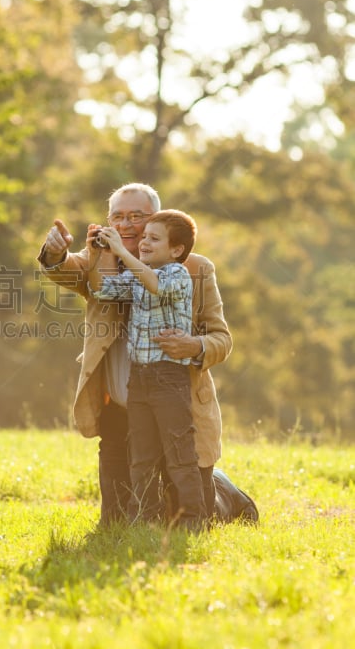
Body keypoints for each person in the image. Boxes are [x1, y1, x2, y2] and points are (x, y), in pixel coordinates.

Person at [37, 183, 258, 525]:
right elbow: (71, 271)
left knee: (191, 511)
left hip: (175, 401)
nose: (126, 225)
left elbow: (222, 338)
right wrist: (55, 254)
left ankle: (224, 491)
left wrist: (194, 345)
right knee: (118, 520)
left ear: (157, 220)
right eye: (118, 217)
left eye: (136, 217)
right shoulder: (100, 258)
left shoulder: (193, 268)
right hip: (120, 405)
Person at [90, 209, 207, 528]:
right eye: (144, 237)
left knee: (179, 453)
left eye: (154, 238)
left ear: (176, 250)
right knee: (140, 457)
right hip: (139, 378)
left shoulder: (175, 274)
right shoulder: (138, 275)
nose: (143, 242)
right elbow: (104, 289)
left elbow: (154, 284)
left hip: (169, 377)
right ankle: (143, 519)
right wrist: (103, 252)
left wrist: (123, 252)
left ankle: (193, 520)